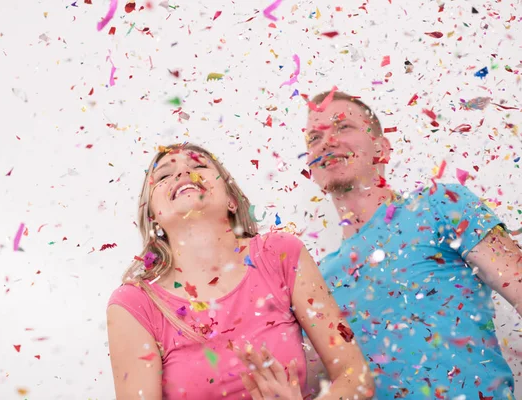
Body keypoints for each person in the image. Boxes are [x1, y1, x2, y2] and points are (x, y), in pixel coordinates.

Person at [246, 89, 522, 399]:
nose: (327, 141)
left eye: (343, 127)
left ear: (381, 148)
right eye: (314, 138)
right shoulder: (314, 281)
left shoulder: (440, 204)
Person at [106, 143, 375, 400]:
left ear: (231, 199)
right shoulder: (134, 304)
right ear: (154, 218)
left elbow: (356, 378)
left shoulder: (279, 254)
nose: (182, 172)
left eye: (198, 167)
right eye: (164, 174)